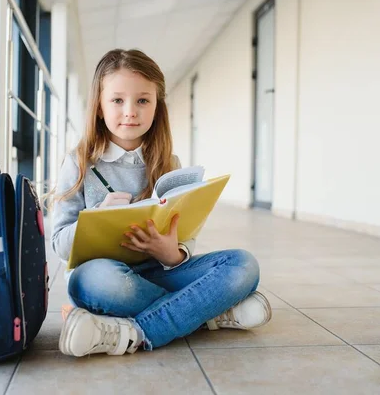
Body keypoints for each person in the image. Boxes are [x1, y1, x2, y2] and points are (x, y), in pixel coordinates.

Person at [49, 48, 271, 357]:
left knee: (243, 265)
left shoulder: (169, 162)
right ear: (99, 107)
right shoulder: (79, 162)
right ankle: (207, 312)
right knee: (98, 281)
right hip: (105, 276)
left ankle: (132, 333)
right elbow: (59, 243)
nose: (130, 111)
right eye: (117, 100)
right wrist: (95, 217)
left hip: (157, 272)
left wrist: (176, 254)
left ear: (156, 107)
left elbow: (185, 232)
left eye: (143, 100)